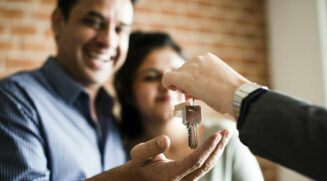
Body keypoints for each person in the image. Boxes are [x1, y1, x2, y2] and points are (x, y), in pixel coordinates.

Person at [0, 0, 230, 180]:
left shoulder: (108, 114)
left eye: (120, 29)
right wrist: (129, 177)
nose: (108, 40)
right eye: (94, 22)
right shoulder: (14, 100)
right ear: (59, 22)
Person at [114, 31, 264, 181]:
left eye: (176, 74)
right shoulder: (121, 156)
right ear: (127, 92)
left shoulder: (226, 137)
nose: (166, 85)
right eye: (151, 77)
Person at [162, 52, 327, 180]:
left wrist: (239, 95)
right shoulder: (135, 161)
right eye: (150, 77)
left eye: (179, 73)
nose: (167, 86)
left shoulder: (223, 133)